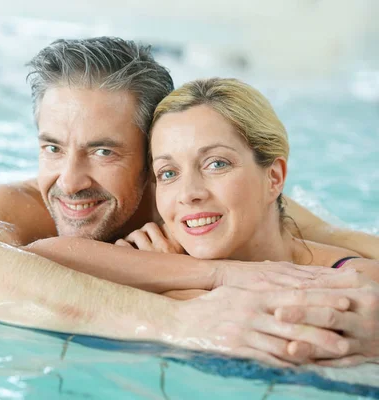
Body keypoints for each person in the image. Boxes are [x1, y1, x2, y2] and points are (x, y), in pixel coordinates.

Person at [0, 37, 379, 367]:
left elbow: (336, 248)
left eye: (104, 151)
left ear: (149, 158)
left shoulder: (197, 204)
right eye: (52, 148)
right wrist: (182, 314)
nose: (71, 182)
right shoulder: (18, 206)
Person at [117, 77, 379, 365]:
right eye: (168, 173)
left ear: (274, 178)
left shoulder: (354, 285)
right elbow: (59, 258)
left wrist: (170, 289)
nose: (188, 194)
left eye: (217, 163)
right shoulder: (151, 253)